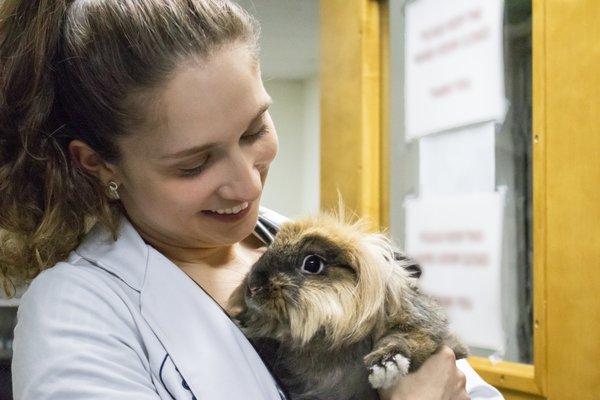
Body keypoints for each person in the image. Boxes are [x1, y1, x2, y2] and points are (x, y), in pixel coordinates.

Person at [0, 0, 503, 399]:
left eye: (254, 129)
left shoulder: (322, 253)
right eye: (194, 164)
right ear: (98, 163)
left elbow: (456, 381)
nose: (247, 186)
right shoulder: (75, 313)